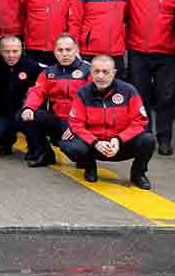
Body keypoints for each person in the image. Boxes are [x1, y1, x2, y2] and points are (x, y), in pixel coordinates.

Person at [124, 0, 175, 156]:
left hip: (166, 53)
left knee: (166, 98)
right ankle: (145, 136)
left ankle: (165, 138)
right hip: (138, 51)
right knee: (140, 96)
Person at [61, 54, 155, 188]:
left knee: (148, 140)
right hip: (94, 146)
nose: (100, 76)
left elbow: (140, 122)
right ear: (91, 72)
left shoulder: (129, 91)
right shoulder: (82, 93)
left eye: (105, 72)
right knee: (68, 145)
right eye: (96, 71)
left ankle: (138, 174)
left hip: (119, 145)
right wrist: (95, 142)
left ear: (114, 72)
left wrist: (119, 139)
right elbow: (76, 124)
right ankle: (89, 166)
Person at [20, 34, 90, 167]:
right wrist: (28, 107)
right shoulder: (48, 72)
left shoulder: (88, 72)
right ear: (55, 52)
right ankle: (45, 154)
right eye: (60, 50)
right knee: (25, 116)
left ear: (77, 50)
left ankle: (86, 158)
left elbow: (95, 102)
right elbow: (37, 91)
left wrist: (78, 125)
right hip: (57, 120)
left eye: (68, 50)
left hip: (80, 123)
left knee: (75, 150)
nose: (64, 54)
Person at [0, 36, 44, 157]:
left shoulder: (33, 68)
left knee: (35, 120)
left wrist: (32, 109)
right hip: (2, 114)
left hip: (25, 113)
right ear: (0, 51)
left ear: (22, 50)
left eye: (15, 51)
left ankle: (34, 146)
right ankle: (6, 142)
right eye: (6, 51)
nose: (11, 55)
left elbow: (42, 92)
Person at [74, 0, 128, 73]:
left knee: (116, 89)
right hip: (89, 53)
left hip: (115, 54)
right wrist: (75, 49)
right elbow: (75, 24)